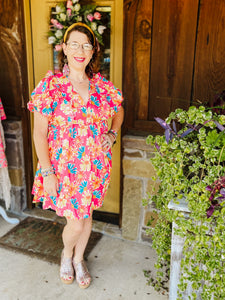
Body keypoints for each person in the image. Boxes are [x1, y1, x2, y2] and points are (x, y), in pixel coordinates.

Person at [27, 22, 124, 288]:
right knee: (76, 223)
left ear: (93, 51)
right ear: (64, 49)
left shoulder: (102, 87)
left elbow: (118, 110)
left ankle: (79, 259)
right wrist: (47, 172)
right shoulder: (51, 85)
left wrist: (112, 134)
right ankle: (66, 254)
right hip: (63, 169)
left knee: (87, 216)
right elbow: (39, 134)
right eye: (74, 44)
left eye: (86, 45)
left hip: (94, 166)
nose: (80, 50)